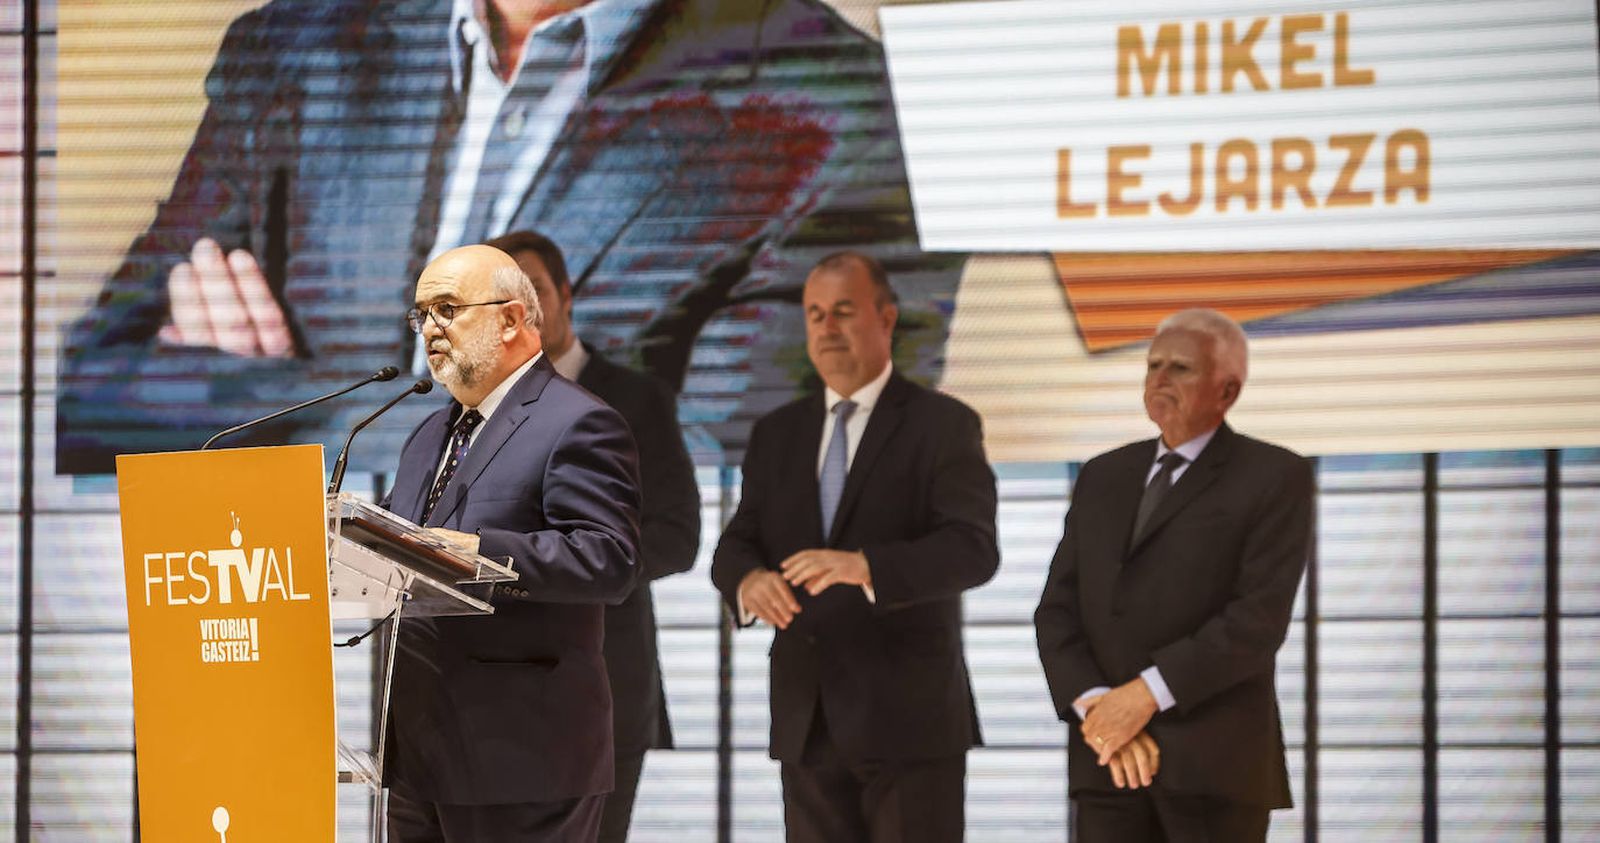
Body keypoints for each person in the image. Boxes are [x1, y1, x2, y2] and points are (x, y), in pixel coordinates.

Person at [56, 0, 966, 475]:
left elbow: (695, 474)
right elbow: (93, 392)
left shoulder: (850, 113)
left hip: (543, 691)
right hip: (268, 645)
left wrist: (266, 407)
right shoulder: (297, 43)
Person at [710, 251, 998, 842]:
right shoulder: (776, 435)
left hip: (910, 723)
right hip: (806, 718)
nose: (827, 328)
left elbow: (973, 548)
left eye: (844, 311)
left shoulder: (943, 425)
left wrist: (867, 566)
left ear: (887, 318)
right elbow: (737, 543)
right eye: (815, 314)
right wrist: (747, 581)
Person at [380, 244, 640, 841]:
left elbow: (610, 559)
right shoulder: (426, 435)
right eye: (422, 314)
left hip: (524, 760)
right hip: (419, 756)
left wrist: (480, 553)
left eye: (447, 308)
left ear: (512, 318)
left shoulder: (576, 421)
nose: (430, 329)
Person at [1033, 308, 1313, 842]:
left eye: (1179, 368)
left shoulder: (1276, 476)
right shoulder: (1103, 475)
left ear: (1226, 391)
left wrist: (1142, 697)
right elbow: (1056, 610)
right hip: (1108, 761)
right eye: (1152, 365)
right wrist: (1100, 709)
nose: (1159, 378)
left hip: (1213, 769)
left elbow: (1257, 621)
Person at [485, 229, 701, 842]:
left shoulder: (637, 399)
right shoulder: (480, 411)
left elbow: (678, 535)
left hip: (605, 684)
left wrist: (576, 569)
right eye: (501, 301)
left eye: (532, 293)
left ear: (566, 293)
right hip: (498, 696)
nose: (517, 313)